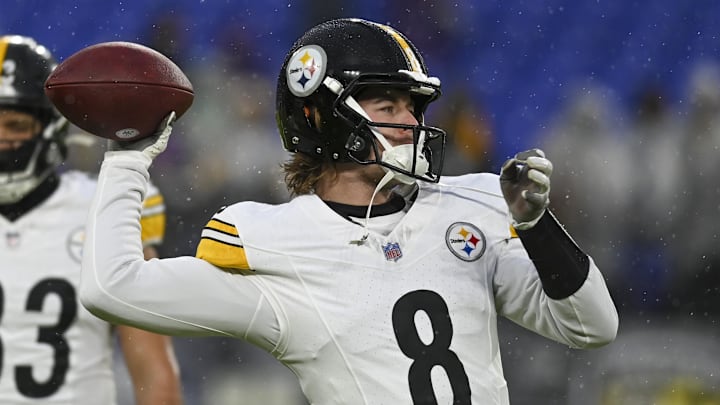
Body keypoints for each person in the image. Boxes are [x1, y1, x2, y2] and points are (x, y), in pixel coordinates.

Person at [79, 18, 618, 404]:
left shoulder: (470, 204)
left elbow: (593, 326)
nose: (410, 120)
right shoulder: (275, 244)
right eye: (389, 105)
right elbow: (113, 288)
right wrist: (128, 159)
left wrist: (537, 225)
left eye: (413, 105)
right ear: (325, 119)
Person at [0, 35, 183, 404]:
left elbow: (153, 375)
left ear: (49, 128)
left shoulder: (102, 208)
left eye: (15, 124)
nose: (1, 140)